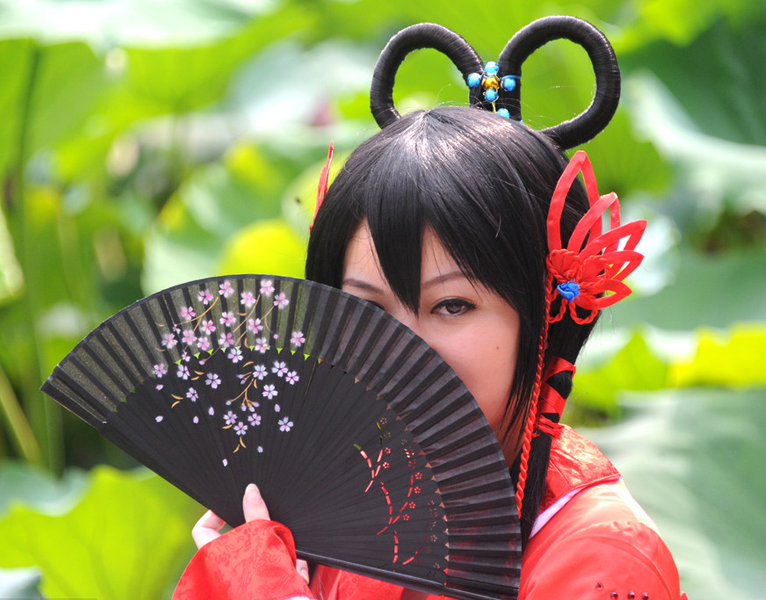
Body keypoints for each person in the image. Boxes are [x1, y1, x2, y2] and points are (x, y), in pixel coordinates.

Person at [173, 16, 686, 600]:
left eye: (450, 305)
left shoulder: (606, 557)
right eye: (365, 309)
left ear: (544, 316)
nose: (400, 350)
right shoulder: (343, 513)